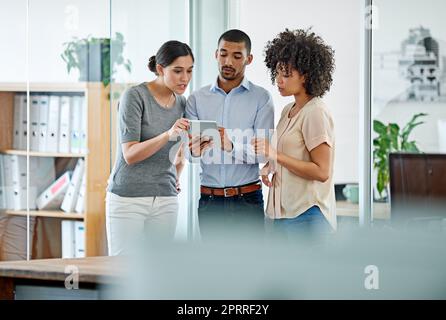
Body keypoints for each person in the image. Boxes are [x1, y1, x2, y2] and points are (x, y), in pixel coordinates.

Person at [106, 40, 194, 255]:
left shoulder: (182, 104)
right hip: (128, 197)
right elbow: (130, 154)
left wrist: (177, 176)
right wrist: (167, 134)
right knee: (122, 270)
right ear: (160, 69)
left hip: (165, 197)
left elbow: (180, 150)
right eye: (178, 71)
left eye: (190, 71)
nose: (185, 78)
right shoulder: (135, 97)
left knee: (159, 270)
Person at [186, 29, 274, 239]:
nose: (228, 61)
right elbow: (189, 156)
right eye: (223, 54)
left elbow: (263, 155)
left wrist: (230, 146)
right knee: (214, 270)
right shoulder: (197, 99)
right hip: (209, 201)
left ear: (248, 59)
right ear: (216, 54)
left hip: (247, 199)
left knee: (251, 268)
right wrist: (194, 151)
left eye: (237, 56)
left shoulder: (261, 99)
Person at [252, 28, 337, 241]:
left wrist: (276, 155)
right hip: (282, 214)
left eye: (286, 74)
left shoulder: (315, 111)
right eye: (277, 73)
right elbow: (291, 154)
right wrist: (271, 166)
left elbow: (321, 171)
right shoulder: (288, 110)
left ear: (306, 76)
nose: (279, 80)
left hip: (307, 215)